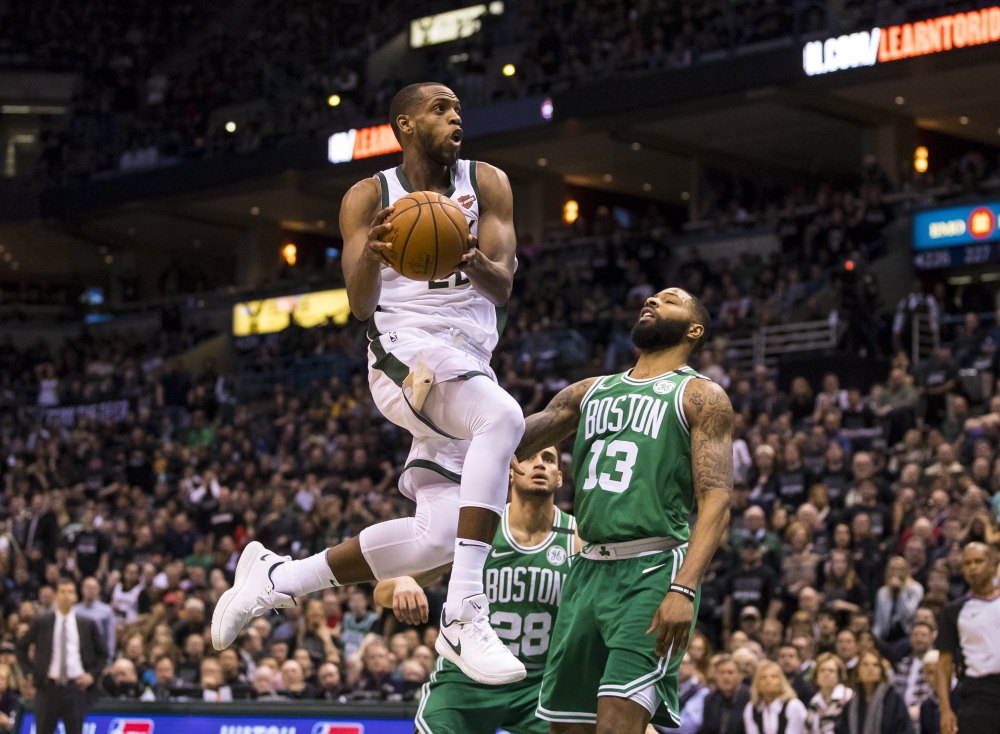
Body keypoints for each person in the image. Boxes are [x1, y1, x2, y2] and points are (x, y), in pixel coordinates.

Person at [212, 81, 525, 686]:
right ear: (405, 126)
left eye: (459, 107)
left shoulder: (488, 183)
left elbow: (504, 285)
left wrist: (468, 256)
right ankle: (463, 615)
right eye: (440, 108)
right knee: (503, 419)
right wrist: (377, 255)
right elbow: (359, 305)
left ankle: (276, 577)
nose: (455, 115)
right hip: (404, 354)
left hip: (470, 355)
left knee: (437, 536)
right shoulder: (368, 195)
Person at [515, 288, 734, 732]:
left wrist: (685, 589)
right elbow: (511, 440)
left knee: (619, 724)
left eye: (669, 300)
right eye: (651, 298)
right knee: (566, 726)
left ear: (694, 329)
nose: (652, 302)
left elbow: (717, 501)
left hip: (651, 571)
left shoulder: (700, 395)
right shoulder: (591, 390)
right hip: (586, 572)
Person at [374, 446, 578, 734]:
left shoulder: (578, 538)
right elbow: (382, 591)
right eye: (531, 457)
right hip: (468, 677)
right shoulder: (478, 526)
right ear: (511, 471)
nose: (539, 465)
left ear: (559, 477)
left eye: (548, 459)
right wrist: (404, 582)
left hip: (540, 683)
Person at [15, 579, 107, 734]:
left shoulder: (86, 624)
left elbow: (103, 653)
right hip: (47, 688)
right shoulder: (42, 622)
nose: (66, 596)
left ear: (75, 597)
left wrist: (92, 674)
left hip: (75, 688)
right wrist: (28, 672)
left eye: (70, 592)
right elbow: (20, 647)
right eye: (62, 592)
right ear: (56, 596)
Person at [935, 542, 1000, 734]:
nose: (973, 567)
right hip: (979, 695)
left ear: (993, 563)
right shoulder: (954, 611)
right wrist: (945, 710)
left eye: (978, 561)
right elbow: (944, 664)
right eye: (967, 563)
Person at [834, 650, 913, 734]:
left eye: (875, 665)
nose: (870, 668)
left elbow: (904, 729)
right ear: (857, 673)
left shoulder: (893, 700)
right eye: (865, 665)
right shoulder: (850, 705)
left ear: (880, 671)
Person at [743, 660, 808, 734]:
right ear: (757, 683)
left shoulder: (793, 706)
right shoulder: (751, 708)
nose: (768, 681)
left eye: (774, 677)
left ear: (782, 682)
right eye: (763, 677)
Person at [872, 557, 923, 643]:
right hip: (887, 634)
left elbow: (908, 614)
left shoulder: (915, 589)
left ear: (906, 570)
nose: (896, 572)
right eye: (893, 569)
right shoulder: (882, 592)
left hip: (907, 633)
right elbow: (879, 621)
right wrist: (874, 638)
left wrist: (900, 592)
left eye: (900, 569)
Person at [700, 655, 750, 734]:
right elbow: (706, 729)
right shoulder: (710, 699)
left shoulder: (749, 698)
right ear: (716, 676)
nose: (726, 677)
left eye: (730, 672)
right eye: (722, 672)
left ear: (740, 676)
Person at [72, 576, 115, 664]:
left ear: (98, 590)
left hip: (98, 652)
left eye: (93, 588)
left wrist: (109, 659)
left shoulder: (106, 611)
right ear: (82, 589)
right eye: (88, 587)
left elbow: (110, 636)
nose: (90, 590)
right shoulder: (74, 611)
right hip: (78, 652)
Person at [808, 653, 853, 734]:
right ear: (816, 676)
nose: (826, 674)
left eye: (831, 670)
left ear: (839, 675)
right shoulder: (814, 702)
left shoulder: (849, 696)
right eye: (822, 670)